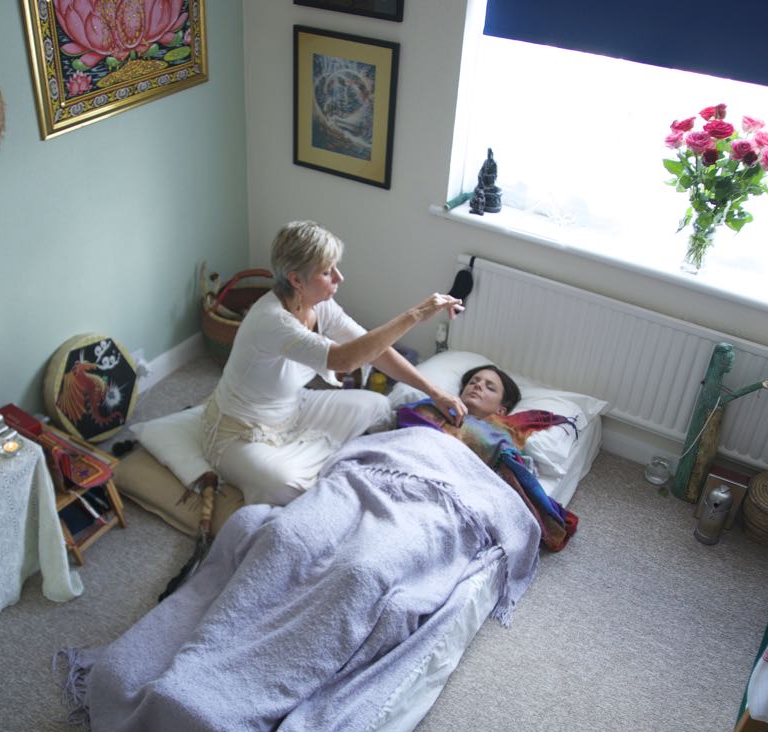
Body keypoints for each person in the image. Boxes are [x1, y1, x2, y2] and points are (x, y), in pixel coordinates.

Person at [201, 220, 467, 506]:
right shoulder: (272, 321)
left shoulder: (319, 305)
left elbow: (374, 350)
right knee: (287, 487)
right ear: (296, 280)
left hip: (294, 407)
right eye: (327, 272)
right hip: (241, 431)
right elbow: (344, 360)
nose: (339, 277)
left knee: (379, 406)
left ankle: (331, 468)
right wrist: (414, 315)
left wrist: (435, 392)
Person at [396, 363, 580, 551]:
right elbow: (406, 424)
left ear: (501, 410)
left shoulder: (498, 436)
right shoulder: (430, 405)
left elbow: (508, 474)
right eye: (473, 382)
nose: (477, 385)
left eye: (489, 387)